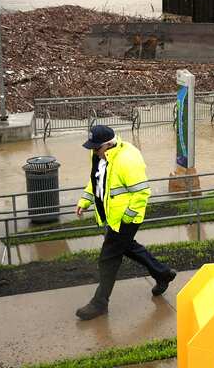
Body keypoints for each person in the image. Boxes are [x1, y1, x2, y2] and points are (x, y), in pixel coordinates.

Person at [74, 125, 176, 320]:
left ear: (109, 144)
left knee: (108, 258)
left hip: (125, 218)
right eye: (92, 148)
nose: (93, 151)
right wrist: (85, 200)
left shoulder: (128, 159)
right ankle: (162, 273)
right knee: (128, 247)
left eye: (96, 148)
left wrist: (127, 219)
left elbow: (142, 192)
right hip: (111, 217)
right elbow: (95, 181)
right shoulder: (98, 156)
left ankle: (99, 303)